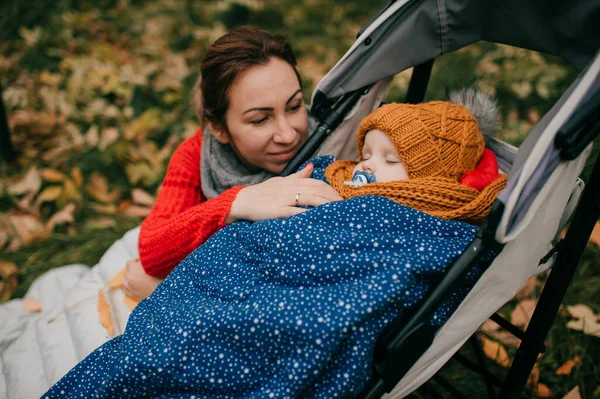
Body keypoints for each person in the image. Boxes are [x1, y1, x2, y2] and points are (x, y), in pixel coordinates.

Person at [122, 25, 342, 300]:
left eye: (294, 106)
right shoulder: (198, 154)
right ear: (219, 129)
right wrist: (237, 203)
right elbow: (153, 249)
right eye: (260, 119)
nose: (288, 135)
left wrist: (163, 292)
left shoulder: (336, 142)